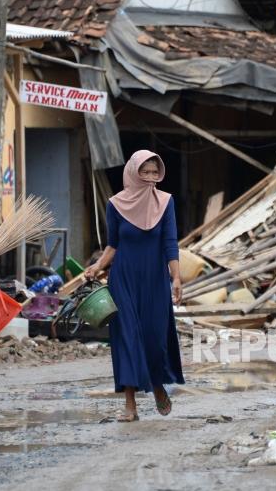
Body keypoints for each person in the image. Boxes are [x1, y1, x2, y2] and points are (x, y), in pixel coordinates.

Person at [85, 150, 184, 422]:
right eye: (145, 172)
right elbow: (113, 244)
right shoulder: (115, 204)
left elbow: (170, 243)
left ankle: (156, 384)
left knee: (154, 338)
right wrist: (98, 266)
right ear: (133, 172)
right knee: (127, 339)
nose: (151, 178)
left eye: (155, 172)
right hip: (124, 279)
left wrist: (176, 277)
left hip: (155, 280)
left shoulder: (166, 203)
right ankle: (130, 405)